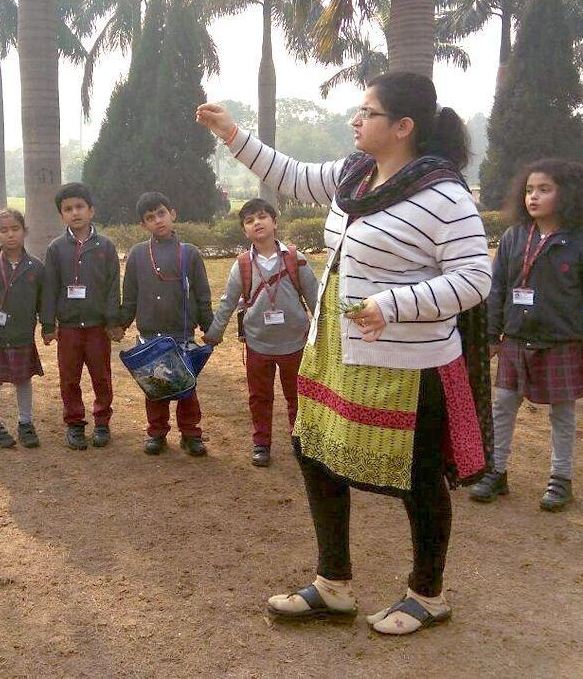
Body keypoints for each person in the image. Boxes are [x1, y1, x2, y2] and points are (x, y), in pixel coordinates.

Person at [197, 71, 491, 635]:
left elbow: (476, 278)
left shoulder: (443, 194)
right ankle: (333, 584)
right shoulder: (354, 175)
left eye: (368, 113)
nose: (356, 121)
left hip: (410, 361)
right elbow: (292, 176)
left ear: (403, 126)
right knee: (314, 452)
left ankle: (427, 594)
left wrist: (397, 304)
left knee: (417, 476)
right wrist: (232, 133)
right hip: (335, 348)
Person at [472, 159, 583, 510]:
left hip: (561, 344)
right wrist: (490, 336)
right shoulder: (515, 237)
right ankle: (496, 472)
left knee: (562, 414)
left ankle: (561, 480)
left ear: (567, 195)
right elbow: (498, 289)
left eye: (544, 189)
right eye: (530, 190)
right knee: (502, 407)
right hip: (516, 341)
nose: (534, 197)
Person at [203, 198, 319, 467]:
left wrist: (322, 334)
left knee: (297, 395)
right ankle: (261, 444)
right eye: (249, 220)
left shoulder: (295, 258)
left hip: (295, 343)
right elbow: (227, 302)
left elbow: (315, 299)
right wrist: (213, 334)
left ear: (274, 222)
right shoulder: (242, 264)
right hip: (257, 344)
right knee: (259, 397)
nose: (257, 223)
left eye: (262, 217)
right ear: (245, 230)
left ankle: (300, 439)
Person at [119, 192, 214, 457]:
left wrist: (210, 328)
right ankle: (157, 433)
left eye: (161, 214)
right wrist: (120, 324)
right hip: (150, 334)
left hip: (182, 332)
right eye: (150, 218)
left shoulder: (190, 253)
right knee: (155, 387)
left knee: (187, 387)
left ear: (172, 214)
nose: (157, 221)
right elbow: (130, 296)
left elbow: (202, 295)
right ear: (143, 225)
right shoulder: (138, 254)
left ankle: (191, 434)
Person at [40, 182, 121, 451]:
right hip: (69, 328)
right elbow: (49, 289)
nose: (75, 213)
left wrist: (112, 321)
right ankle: (75, 423)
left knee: (101, 376)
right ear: (61, 215)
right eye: (68, 209)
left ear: (91, 210)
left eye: (80, 207)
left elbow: (112, 287)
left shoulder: (106, 246)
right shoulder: (56, 248)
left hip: (98, 327)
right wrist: (48, 324)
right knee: (69, 378)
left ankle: (102, 422)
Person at [0, 208, 44, 449]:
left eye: (15, 229)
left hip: (22, 335)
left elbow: (43, 302)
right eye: (4, 230)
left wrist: (48, 327)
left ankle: (25, 423)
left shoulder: (36, 267)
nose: (10, 235)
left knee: (23, 380)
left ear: (25, 232)